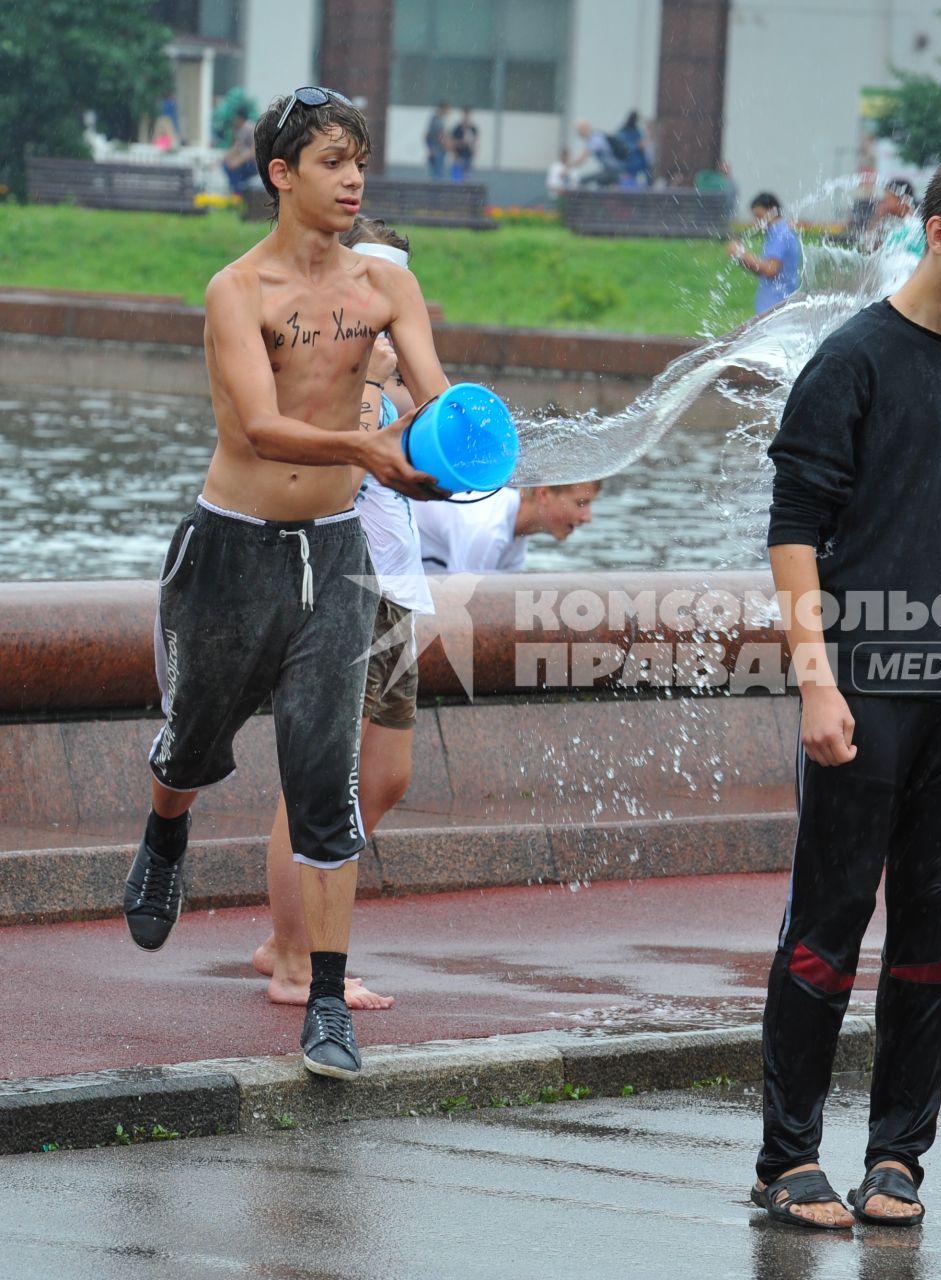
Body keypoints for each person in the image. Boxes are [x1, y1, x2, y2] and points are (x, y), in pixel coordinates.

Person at [755, 150, 941, 1230]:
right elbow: (794, 533)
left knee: (931, 923)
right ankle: (787, 1154)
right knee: (828, 920)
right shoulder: (850, 360)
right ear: (938, 234)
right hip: (863, 683)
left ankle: (897, 1156)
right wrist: (815, 684)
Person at [123, 87, 450, 1081]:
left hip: (338, 553)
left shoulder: (386, 289)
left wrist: (457, 441)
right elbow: (261, 426)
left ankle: (323, 998)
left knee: (325, 778)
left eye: (360, 161)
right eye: (332, 162)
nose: (353, 180)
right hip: (229, 549)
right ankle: (164, 830)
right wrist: (369, 445)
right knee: (191, 744)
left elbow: (432, 399)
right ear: (281, 174)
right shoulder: (238, 290)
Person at [249, 216, 436, 1009]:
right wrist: (366, 383)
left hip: (392, 593)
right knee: (321, 783)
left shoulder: (389, 390)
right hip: (336, 586)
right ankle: (295, 955)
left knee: (385, 777)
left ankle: (293, 931)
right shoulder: (328, 385)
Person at [413, 482, 601, 573]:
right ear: (543, 494)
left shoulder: (515, 529)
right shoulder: (487, 529)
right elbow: (459, 608)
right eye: (581, 503)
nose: (588, 517)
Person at [728, 193, 802, 315]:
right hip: (777, 308)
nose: (757, 222)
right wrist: (741, 258)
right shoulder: (779, 232)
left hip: (776, 310)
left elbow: (770, 269)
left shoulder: (780, 234)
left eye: (759, 216)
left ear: (772, 211)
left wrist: (740, 254)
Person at [221, 108, 257, 193]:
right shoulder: (242, 129)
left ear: (240, 118)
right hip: (247, 162)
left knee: (234, 169)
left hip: (255, 164)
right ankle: (236, 192)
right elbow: (236, 148)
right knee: (227, 165)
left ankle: (237, 194)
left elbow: (255, 150)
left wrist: (238, 161)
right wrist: (222, 159)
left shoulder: (250, 128)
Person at [424, 103, 450, 182]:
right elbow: (440, 136)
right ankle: (436, 193)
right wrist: (447, 145)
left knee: (435, 174)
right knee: (438, 176)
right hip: (438, 151)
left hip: (436, 150)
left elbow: (427, 136)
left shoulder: (434, 120)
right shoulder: (437, 122)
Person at [449, 108, 477, 183]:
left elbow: (475, 143)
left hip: (468, 157)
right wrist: (461, 143)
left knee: (467, 179)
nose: (467, 117)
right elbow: (452, 142)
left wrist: (473, 149)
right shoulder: (457, 129)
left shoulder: (473, 129)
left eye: (468, 115)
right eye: (465, 115)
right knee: (456, 180)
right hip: (459, 156)